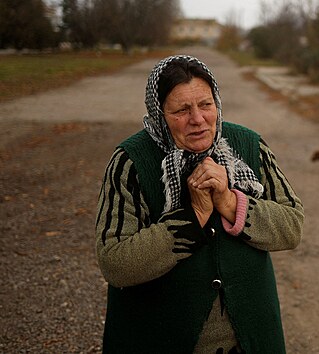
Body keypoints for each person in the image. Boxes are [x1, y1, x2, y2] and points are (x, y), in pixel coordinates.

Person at [95, 55, 304, 353]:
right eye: (181, 110)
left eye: (206, 105)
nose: (198, 119)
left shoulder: (250, 146)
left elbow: (293, 226)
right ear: (159, 114)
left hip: (250, 341)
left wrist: (230, 202)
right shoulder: (131, 162)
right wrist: (194, 217)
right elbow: (114, 262)